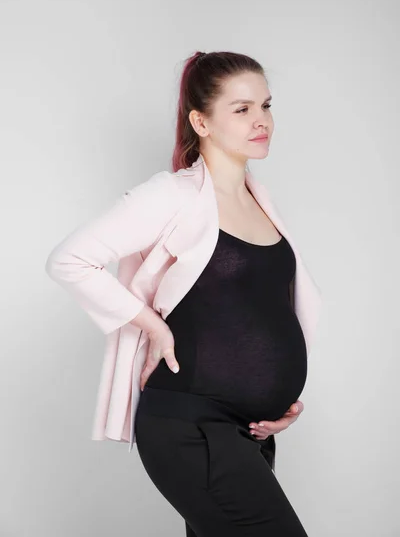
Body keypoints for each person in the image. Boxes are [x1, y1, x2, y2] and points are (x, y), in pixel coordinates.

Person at [46, 50, 322, 536]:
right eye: (242, 109)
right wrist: (152, 325)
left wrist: (279, 401)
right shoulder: (172, 195)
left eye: (266, 105)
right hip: (192, 427)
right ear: (201, 121)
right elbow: (68, 260)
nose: (262, 121)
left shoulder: (262, 200)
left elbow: (257, 311)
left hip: (248, 433)